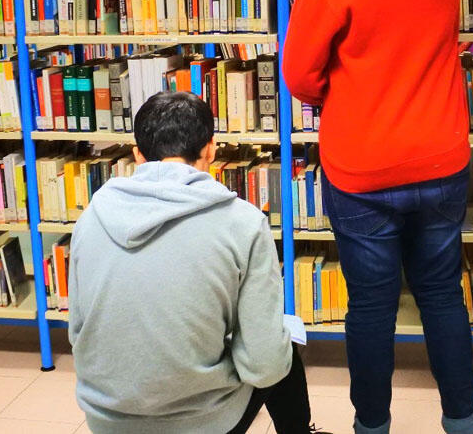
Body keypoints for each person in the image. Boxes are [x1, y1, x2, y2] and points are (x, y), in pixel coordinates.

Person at [282, 0, 473, 434]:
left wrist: (335, 98)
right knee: (442, 296)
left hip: (362, 172)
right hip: (441, 161)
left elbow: (298, 75)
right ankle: (462, 421)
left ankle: (372, 428)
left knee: (370, 307)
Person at [68, 91, 328, 434]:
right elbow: (264, 364)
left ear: (137, 155)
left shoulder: (90, 218)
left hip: (107, 419)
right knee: (283, 341)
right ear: (211, 149)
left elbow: (78, 332)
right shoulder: (243, 222)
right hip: (202, 422)